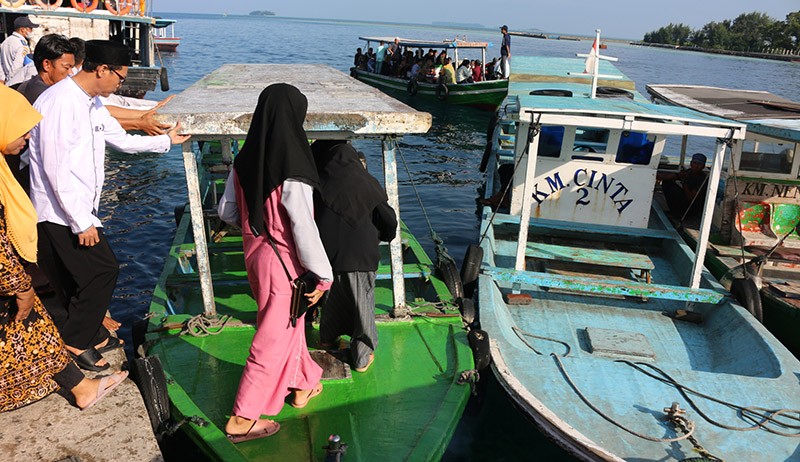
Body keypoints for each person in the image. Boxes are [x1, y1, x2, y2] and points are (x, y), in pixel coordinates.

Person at [27, 40, 190, 371]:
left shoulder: (92, 103)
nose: (121, 84)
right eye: (120, 77)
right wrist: (81, 222)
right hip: (58, 211)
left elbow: (121, 140)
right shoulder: (60, 102)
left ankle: (92, 333)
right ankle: (75, 342)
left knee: (78, 276)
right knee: (104, 270)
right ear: (102, 70)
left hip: (78, 206)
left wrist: (166, 142)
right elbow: (55, 170)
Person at [0, 85, 127, 413]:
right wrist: (21, 286)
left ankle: (81, 382)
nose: (29, 138)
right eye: (22, 131)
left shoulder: (5, 168)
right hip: (12, 274)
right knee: (31, 324)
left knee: (36, 327)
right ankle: (80, 376)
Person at [217, 83, 333, 443]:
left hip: (255, 255)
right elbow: (303, 227)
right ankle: (243, 417)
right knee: (272, 337)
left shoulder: (244, 160)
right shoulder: (294, 167)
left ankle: (304, 383)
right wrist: (323, 275)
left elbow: (226, 212)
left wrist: (256, 227)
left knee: (288, 325)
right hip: (283, 263)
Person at [311, 139, 396, 373]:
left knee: (333, 299)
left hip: (326, 256)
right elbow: (388, 220)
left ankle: (328, 339)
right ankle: (361, 357)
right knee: (362, 305)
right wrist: (383, 235)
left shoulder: (318, 184)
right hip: (360, 256)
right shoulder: (366, 182)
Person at [17, 34, 75, 105]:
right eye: (67, 67)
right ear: (47, 65)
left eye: (72, 68)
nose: (71, 72)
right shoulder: (44, 95)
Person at [657, 152, 708, 219]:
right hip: (686, 201)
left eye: (699, 164)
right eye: (694, 163)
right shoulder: (689, 172)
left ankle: (679, 214)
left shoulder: (703, 179)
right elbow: (673, 176)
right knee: (667, 183)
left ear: (703, 166)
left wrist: (684, 182)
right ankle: (674, 211)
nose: (696, 166)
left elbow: (690, 197)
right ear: (691, 163)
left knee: (673, 190)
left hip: (693, 207)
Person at [0, 16, 39, 87]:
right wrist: (10, 82)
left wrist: (2, 79)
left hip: (6, 81)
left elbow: (1, 63)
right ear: (22, 29)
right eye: (30, 29)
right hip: (15, 83)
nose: (31, 31)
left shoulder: (6, 41)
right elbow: (17, 67)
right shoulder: (22, 45)